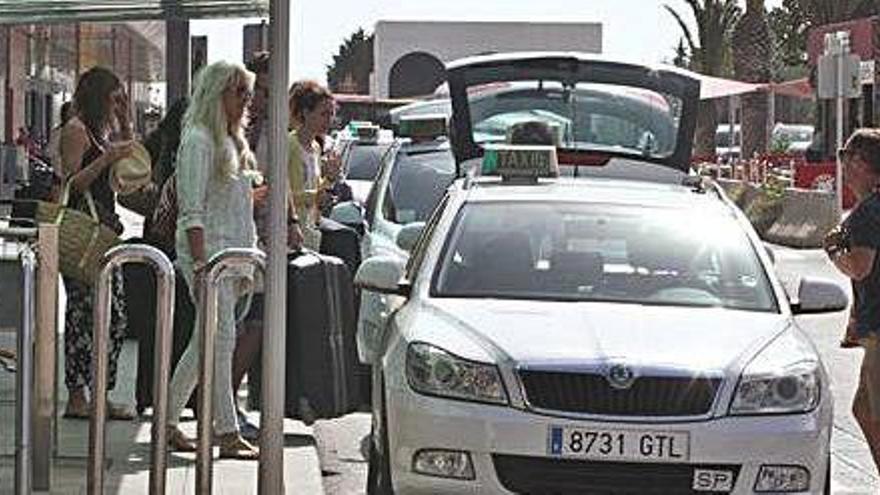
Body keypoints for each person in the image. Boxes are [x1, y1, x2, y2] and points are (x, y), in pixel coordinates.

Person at [165, 61, 260, 459]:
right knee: (220, 342)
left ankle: (169, 420)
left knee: (204, 343)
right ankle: (225, 429)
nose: (245, 101)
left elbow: (222, 203)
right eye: (238, 92)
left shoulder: (228, 140)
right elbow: (192, 209)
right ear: (217, 93)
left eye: (247, 94)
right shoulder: (200, 139)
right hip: (210, 258)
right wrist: (202, 264)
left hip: (231, 256)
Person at [57, 66, 135, 420]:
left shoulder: (102, 132)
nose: (116, 104)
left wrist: (125, 121)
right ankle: (78, 396)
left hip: (104, 232)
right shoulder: (76, 131)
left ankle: (101, 393)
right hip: (81, 232)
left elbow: (127, 170)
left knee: (114, 316)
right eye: (113, 97)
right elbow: (71, 184)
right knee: (82, 315)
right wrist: (105, 158)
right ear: (98, 96)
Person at [824, 128, 880, 476]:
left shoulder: (868, 213)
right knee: (863, 408)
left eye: (845, 156)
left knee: (873, 411)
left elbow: (859, 267)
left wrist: (833, 252)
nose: (842, 165)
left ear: (859, 162)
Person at [288, 80, 339, 250]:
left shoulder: (316, 148)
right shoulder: (289, 144)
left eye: (331, 114)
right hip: (288, 233)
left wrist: (330, 179)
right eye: (324, 114)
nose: (329, 120)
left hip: (310, 231)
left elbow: (318, 195)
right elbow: (281, 194)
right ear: (306, 113)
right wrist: (313, 196)